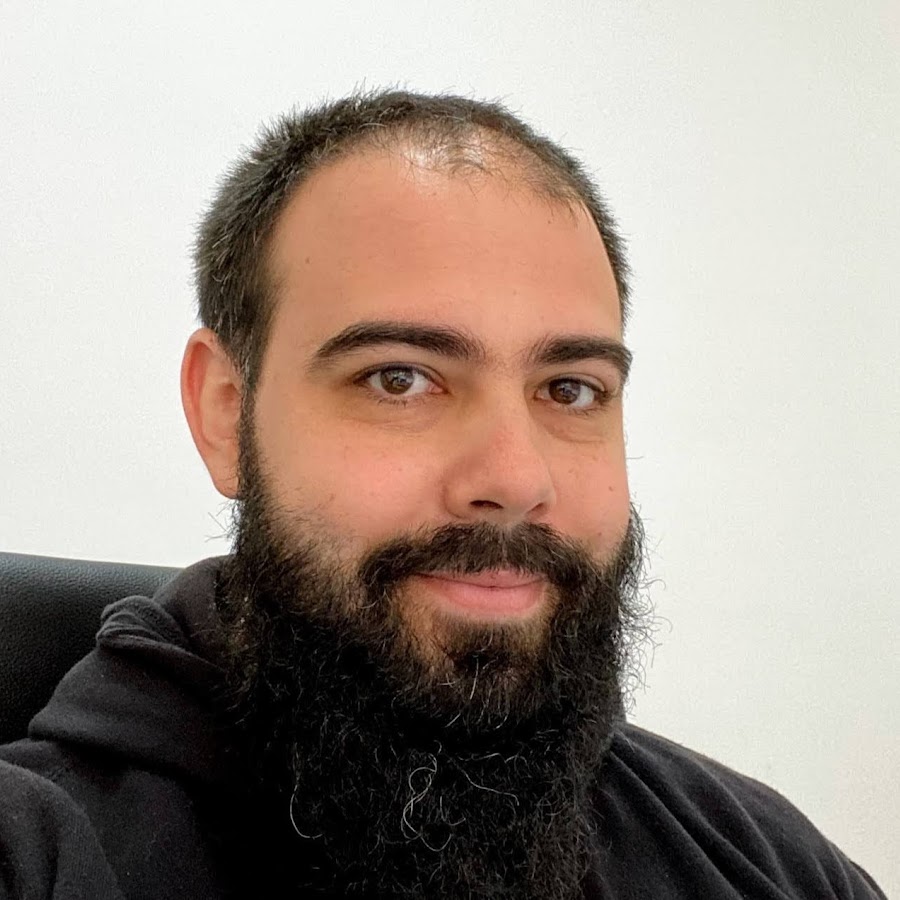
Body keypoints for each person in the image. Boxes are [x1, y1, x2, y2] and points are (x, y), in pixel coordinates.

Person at [0, 90, 886, 900]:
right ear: (226, 412)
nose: (515, 479)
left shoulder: (763, 864)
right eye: (400, 379)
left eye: (570, 389)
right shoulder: (46, 854)